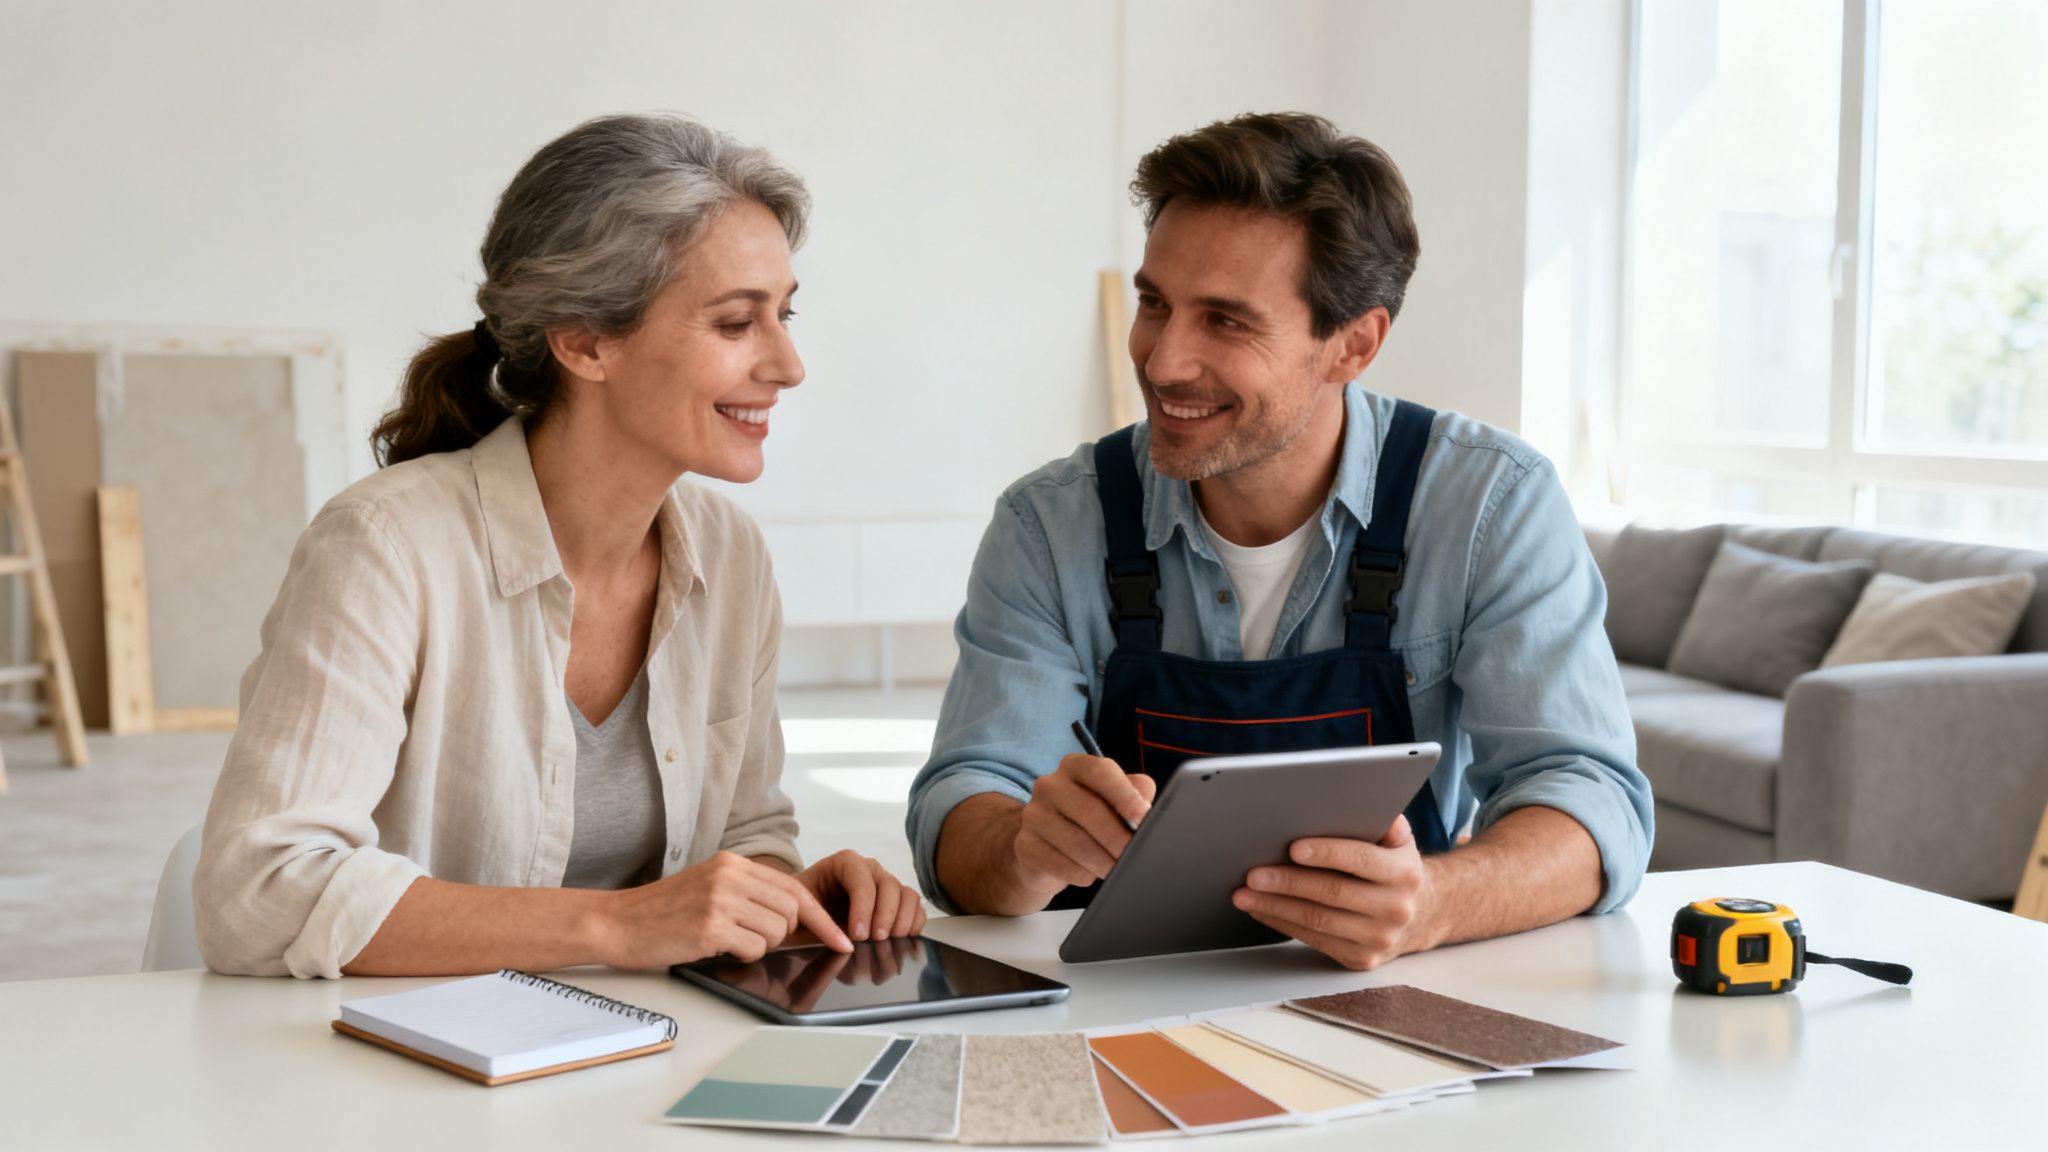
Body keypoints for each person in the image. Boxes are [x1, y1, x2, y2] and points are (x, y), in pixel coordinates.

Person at [908, 112, 1651, 971]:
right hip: (1120, 999)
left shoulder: (1492, 503)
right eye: (1155, 303)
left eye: (1225, 321)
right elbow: (963, 801)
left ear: (1354, 344)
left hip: (1384, 997)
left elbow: (1592, 801)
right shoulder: (1050, 523)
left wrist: (1433, 904)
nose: (1163, 361)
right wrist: (1019, 849)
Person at [195, 113, 923, 979]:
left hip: (640, 1058)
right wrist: (616, 928)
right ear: (584, 341)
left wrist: (786, 894)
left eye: (785, 315)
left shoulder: (730, 559)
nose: (789, 364)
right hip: (409, 1076)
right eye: (737, 323)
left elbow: (741, 834)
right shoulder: (384, 548)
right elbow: (260, 892)